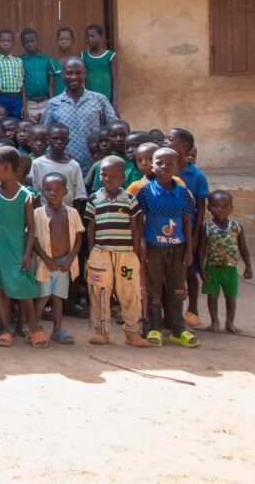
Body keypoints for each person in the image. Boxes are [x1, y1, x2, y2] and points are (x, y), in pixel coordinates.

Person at [0, 147, 47, 349]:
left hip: (17, 248)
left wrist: (27, 253)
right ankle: (7, 328)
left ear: (7, 167)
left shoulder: (25, 195)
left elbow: (31, 227)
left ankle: (33, 326)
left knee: (22, 286)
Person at [134, 147, 199, 348]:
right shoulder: (146, 192)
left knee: (177, 288)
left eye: (169, 163)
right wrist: (140, 247)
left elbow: (186, 222)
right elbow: (138, 221)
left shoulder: (184, 193)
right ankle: (154, 327)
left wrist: (189, 250)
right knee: (153, 289)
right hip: (153, 247)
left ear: (177, 166)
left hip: (178, 248)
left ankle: (178, 328)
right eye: (159, 163)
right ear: (152, 166)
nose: (164, 167)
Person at [84, 156, 150, 347]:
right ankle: (102, 331)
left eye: (113, 176)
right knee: (101, 292)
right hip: (101, 253)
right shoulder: (94, 199)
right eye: (103, 175)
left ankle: (132, 332)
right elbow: (91, 227)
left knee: (129, 292)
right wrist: (92, 252)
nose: (107, 179)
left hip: (126, 253)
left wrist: (136, 252)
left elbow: (136, 228)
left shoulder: (129, 199)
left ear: (122, 177)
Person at [32, 173, 85, 345]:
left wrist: (70, 260)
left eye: (57, 190)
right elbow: (33, 240)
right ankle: (34, 329)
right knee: (43, 296)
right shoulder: (38, 213)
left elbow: (78, 239)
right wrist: (47, 260)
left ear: (66, 192)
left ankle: (57, 330)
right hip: (45, 264)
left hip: (64, 264)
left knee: (57, 297)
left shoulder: (72, 213)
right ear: (42, 191)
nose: (53, 193)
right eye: (48, 189)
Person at [165, 127, 209, 329]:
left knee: (190, 272)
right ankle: (171, 314)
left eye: (170, 139)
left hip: (188, 231)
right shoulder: (164, 169)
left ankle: (192, 310)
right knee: (170, 273)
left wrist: (196, 233)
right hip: (167, 230)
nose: (165, 141)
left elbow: (201, 207)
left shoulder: (196, 176)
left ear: (184, 147)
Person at [41, 57, 116, 174]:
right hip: (65, 168)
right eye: (69, 73)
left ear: (84, 73)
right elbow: (46, 136)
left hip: (97, 168)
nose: (74, 77)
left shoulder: (99, 100)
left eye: (78, 73)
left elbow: (113, 129)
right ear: (62, 75)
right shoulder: (53, 104)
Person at [199, 190, 253, 334]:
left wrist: (248, 266)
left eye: (225, 206)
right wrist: (201, 268)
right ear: (209, 208)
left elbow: (243, 247)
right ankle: (214, 322)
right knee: (212, 296)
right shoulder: (207, 227)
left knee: (231, 297)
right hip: (212, 268)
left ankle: (230, 322)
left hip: (230, 269)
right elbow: (202, 248)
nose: (220, 209)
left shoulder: (236, 227)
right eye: (216, 206)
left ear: (231, 208)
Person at [29, 123, 87, 207]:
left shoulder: (74, 165)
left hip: (68, 211)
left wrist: (75, 213)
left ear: (68, 141)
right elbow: (35, 193)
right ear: (47, 140)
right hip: (44, 211)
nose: (59, 142)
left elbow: (79, 195)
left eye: (63, 139)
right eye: (55, 138)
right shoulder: (38, 164)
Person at [0, 29, 25, 119]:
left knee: (17, 122)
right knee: (0, 122)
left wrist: (24, 104)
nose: (6, 44)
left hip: (17, 99)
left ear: (12, 43)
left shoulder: (18, 61)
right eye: (3, 41)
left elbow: (22, 83)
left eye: (9, 41)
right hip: (1, 98)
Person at [82, 23, 117, 107]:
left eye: (92, 36)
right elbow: (82, 79)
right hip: (89, 99)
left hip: (106, 97)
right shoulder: (83, 55)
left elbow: (115, 80)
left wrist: (115, 103)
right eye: (88, 36)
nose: (89, 39)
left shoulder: (110, 55)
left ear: (101, 37)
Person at [20, 29, 51, 124]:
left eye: (32, 41)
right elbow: (22, 84)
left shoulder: (45, 59)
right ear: (22, 44)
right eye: (27, 42)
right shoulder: (21, 61)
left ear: (37, 41)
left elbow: (50, 82)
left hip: (45, 101)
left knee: (46, 126)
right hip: (30, 102)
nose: (30, 44)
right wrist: (24, 105)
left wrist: (51, 101)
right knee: (30, 128)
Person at [48, 27, 75, 97]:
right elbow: (51, 85)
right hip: (58, 101)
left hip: (74, 100)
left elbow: (82, 84)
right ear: (56, 41)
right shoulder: (52, 62)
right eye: (61, 39)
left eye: (67, 39)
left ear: (72, 41)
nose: (63, 42)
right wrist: (52, 101)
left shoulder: (77, 61)